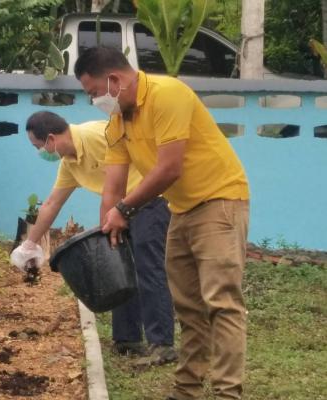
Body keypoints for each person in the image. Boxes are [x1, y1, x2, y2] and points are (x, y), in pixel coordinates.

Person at [74, 47, 250, 400]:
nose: (95, 102)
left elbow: (169, 168)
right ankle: (187, 390)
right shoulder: (118, 123)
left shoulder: (167, 93)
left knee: (221, 302)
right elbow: (113, 186)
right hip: (181, 210)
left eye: (94, 93)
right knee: (188, 306)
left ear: (114, 80)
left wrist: (124, 210)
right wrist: (106, 234)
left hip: (219, 200)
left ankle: (227, 393)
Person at [10, 110, 176, 366]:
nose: (40, 152)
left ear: (51, 139)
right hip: (119, 208)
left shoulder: (96, 135)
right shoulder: (70, 163)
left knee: (148, 268)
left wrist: (105, 227)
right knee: (120, 269)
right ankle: (127, 340)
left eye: (38, 146)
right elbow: (52, 203)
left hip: (148, 199)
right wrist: (29, 244)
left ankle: (162, 344)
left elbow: (113, 187)